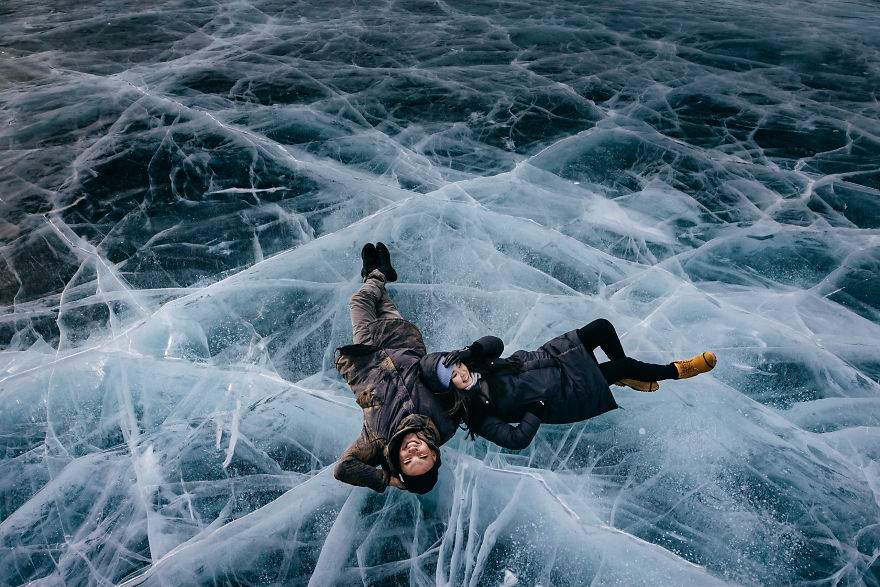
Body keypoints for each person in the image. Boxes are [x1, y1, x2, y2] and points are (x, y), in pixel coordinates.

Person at [420, 319, 716, 449]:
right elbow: (515, 440)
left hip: (553, 357)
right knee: (621, 365)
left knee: (602, 327)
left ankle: (627, 376)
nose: (460, 373)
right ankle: (678, 370)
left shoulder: (477, 363)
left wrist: (472, 352)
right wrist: (536, 408)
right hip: (564, 394)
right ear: (451, 390)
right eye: (454, 378)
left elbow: (495, 343)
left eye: (456, 365)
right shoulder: (479, 412)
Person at [333, 243, 459, 494]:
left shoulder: (376, 440)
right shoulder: (446, 422)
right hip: (403, 343)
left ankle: (377, 273)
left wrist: (385, 480)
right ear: (434, 454)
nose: (413, 453)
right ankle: (377, 273)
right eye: (422, 458)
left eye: (408, 462)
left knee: (361, 300)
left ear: (398, 465)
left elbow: (343, 469)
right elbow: (459, 388)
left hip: (367, 355)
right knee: (380, 302)